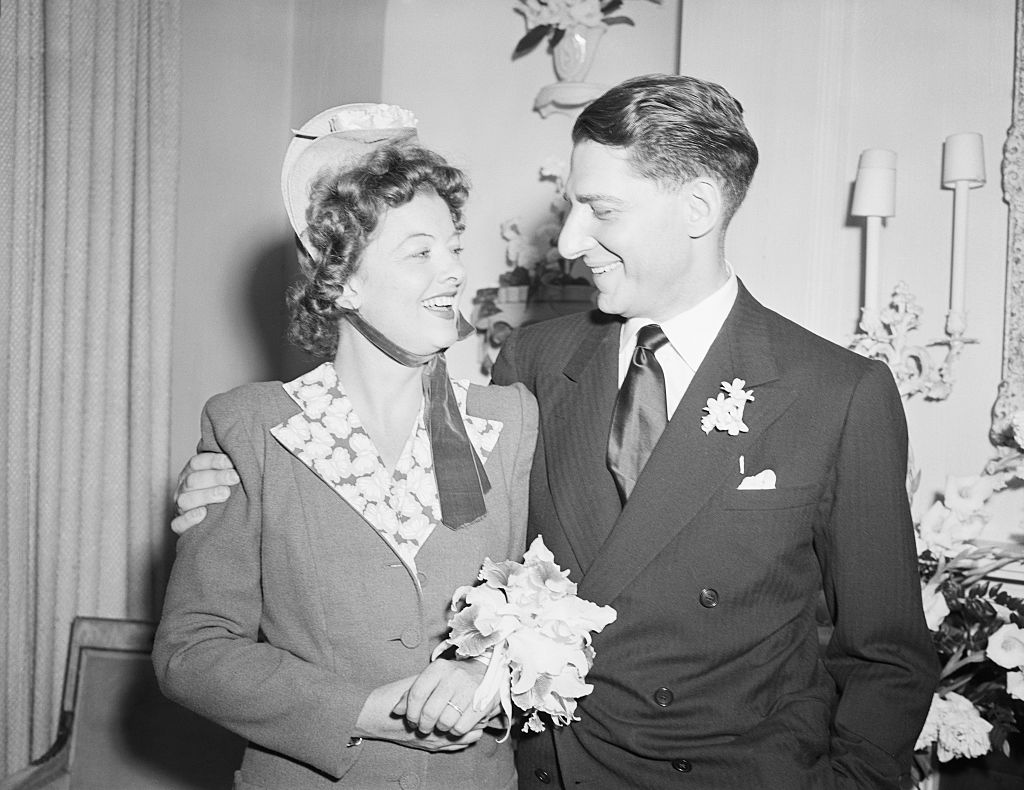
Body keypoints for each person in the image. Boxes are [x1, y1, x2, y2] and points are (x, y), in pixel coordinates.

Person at [173, 76, 938, 789]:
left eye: (601, 210)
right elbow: (490, 556)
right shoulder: (537, 361)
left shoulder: (838, 393)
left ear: (698, 210)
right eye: (572, 207)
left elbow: (888, 659)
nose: (568, 243)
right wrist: (238, 478)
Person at [154, 104, 537, 790]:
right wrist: (358, 710)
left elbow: (550, 603)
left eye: (453, 245)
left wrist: (489, 670)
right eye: (421, 252)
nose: (452, 270)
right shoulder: (252, 427)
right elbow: (192, 651)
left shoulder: (508, 420)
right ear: (345, 281)